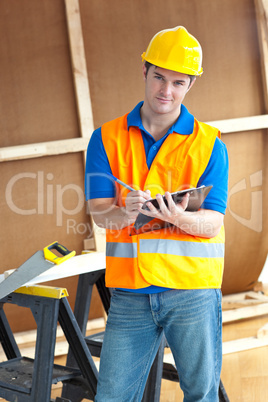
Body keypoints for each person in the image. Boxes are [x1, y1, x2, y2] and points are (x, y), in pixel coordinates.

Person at [85, 26, 229, 402]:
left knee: (200, 394)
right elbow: (100, 214)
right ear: (144, 70)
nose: (166, 91)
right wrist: (123, 211)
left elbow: (213, 222)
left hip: (192, 291)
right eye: (159, 77)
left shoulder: (209, 143)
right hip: (130, 292)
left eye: (178, 82)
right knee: (112, 397)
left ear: (190, 85)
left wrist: (178, 218)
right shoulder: (106, 138)